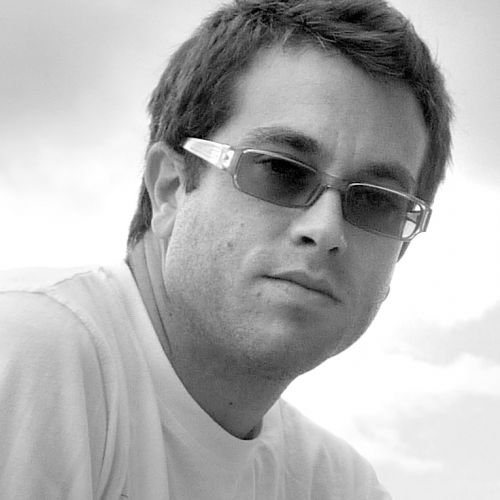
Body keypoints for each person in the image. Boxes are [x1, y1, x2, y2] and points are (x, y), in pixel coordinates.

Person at [0, 0, 452, 498]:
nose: (326, 230)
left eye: (377, 202)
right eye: (281, 169)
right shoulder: (27, 352)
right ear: (171, 188)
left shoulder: (338, 485)